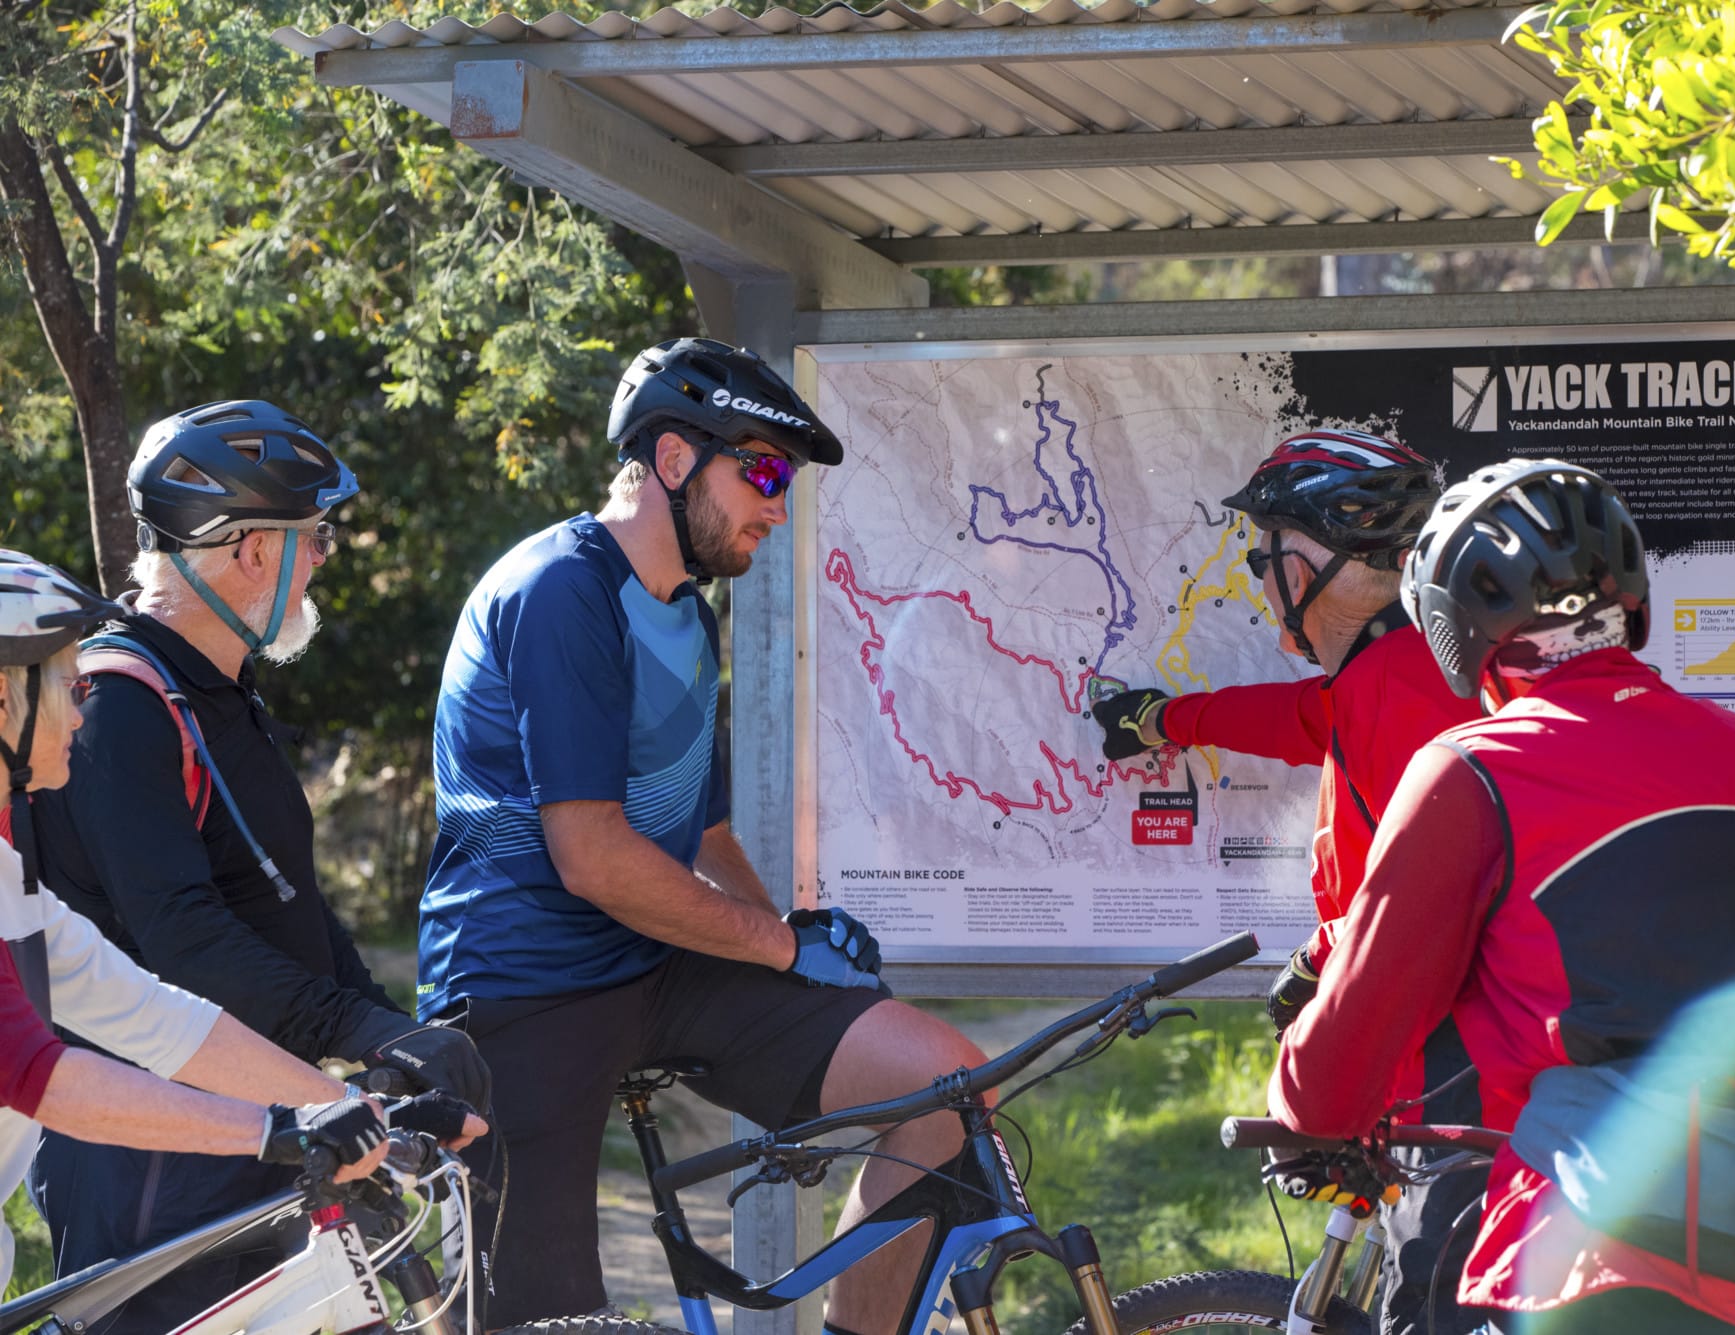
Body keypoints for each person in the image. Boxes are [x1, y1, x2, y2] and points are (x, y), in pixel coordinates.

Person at [1267, 458, 1735, 1333]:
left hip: (1584, 1266)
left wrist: (1298, 1090)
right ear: (1633, 603)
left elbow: (1335, 1073)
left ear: (1454, 632)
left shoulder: (1471, 773)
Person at [419, 337, 989, 1331]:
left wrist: (791, 951)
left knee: (946, 1091)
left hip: (659, 966)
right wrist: (777, 945)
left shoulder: (687, 610)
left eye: (786, 481)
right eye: (763, 470)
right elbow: (591, 855)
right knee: (533, 1320)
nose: (779, 502)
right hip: (523, 986)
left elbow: (704, 828)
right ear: (675, 459)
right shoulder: (562, 591)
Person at [27, 402, 491, 1323]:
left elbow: (289, 901)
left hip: (251, 1115)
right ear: (250, 551)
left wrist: (387, 1028)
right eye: (313, 536)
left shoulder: (220, 693)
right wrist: (352, 1027)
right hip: (151, 1148)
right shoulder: (123, 702)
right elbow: (180, 936)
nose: (324, 556)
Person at [1091, 429, 1482, 1335]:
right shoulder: (1396, 671)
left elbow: (1414, 900)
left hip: (1452, 1064)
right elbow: (1306, 719)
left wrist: (1317, 965)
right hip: (1439, 1047)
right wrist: (1164, 720)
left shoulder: (1401, 689)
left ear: (1308, 560)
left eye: (1265, 555)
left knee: (1431, 1303)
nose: (1261, 578)